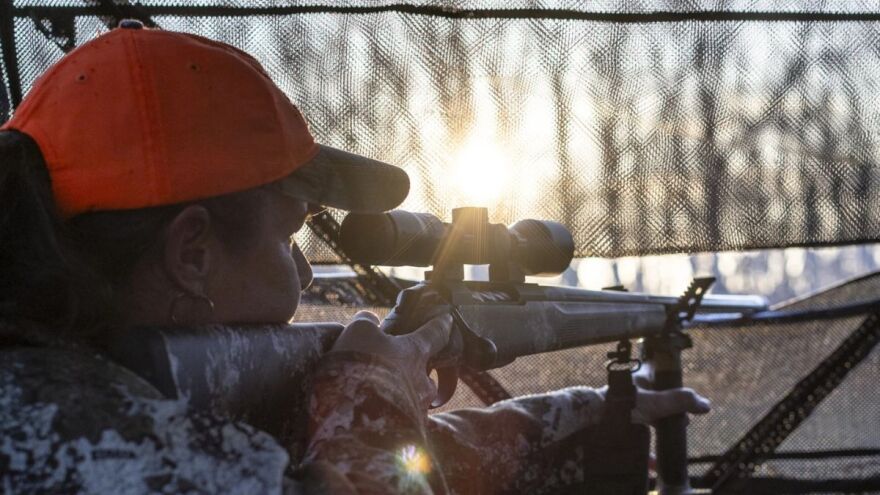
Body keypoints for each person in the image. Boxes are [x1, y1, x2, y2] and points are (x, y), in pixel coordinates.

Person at [0, 23, 711, 493]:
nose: (306, 272)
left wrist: (579, 421)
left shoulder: (83, 393)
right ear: (193, 252)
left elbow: (315, 465)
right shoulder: (78, 433)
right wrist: (368, 386)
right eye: (291, 237)